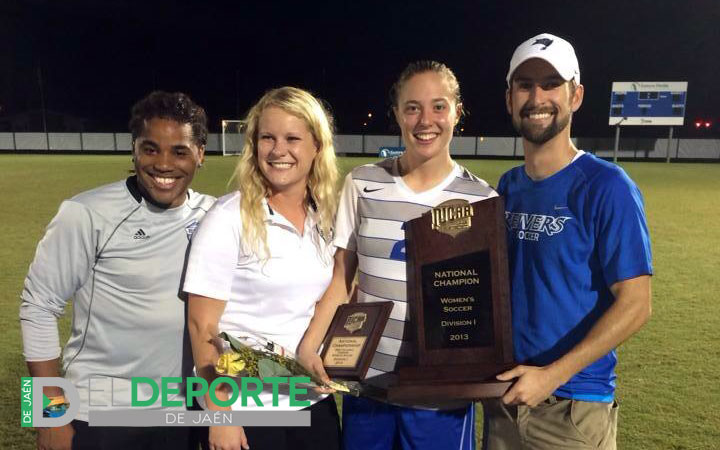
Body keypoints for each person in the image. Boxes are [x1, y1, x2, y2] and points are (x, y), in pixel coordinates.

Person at [297, 60, 497, 450]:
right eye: (412, 107)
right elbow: (342, 278)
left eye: (439, 106)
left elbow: (486, 304)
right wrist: (310, 346)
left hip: (441, 397)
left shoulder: (482, 200)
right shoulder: (363, 184)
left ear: (458, 111)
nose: (426, 120)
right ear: (397, 114)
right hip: (368, 387)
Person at [481, 33, 653, 449]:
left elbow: (637, 303)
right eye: (524, 85)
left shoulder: (607, 186)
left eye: (551, 84)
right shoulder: (509, 186)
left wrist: (551, 375)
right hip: (505, 399)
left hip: (572, 408)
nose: (537, 97)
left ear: (575, 96)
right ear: (509, 99)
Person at [19, 91, 215, 449]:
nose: (164, 164)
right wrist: (47, 414)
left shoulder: (215, 217)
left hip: (182, 414)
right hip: (99, 413)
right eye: (151, 148)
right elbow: (37, 306)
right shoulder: (86, 213)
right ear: (134, 150)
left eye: (180, 151)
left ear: (201, 154)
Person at [184, 86, 342, 450]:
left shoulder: (327, 218)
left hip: (311, 402)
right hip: (245, 409)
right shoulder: (228, 217)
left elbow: (334, 293)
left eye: (292, 138)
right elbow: (201, 325)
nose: (278, 150)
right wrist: (221, 415)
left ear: (317, 146)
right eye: (267, 138)